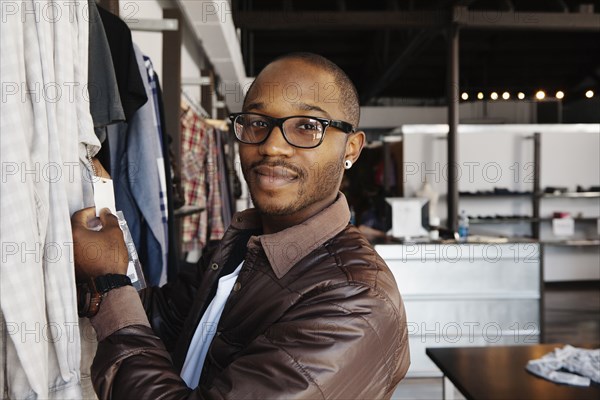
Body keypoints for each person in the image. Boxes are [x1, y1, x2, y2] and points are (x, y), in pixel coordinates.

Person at [71, 52, 410, 399]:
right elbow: (160, 319)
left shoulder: (354, 300)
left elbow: (122, 305)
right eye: (257, 122)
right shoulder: (240, 246)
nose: (272, 146)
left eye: (308, 126)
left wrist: (111, 285)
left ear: (351, 148)